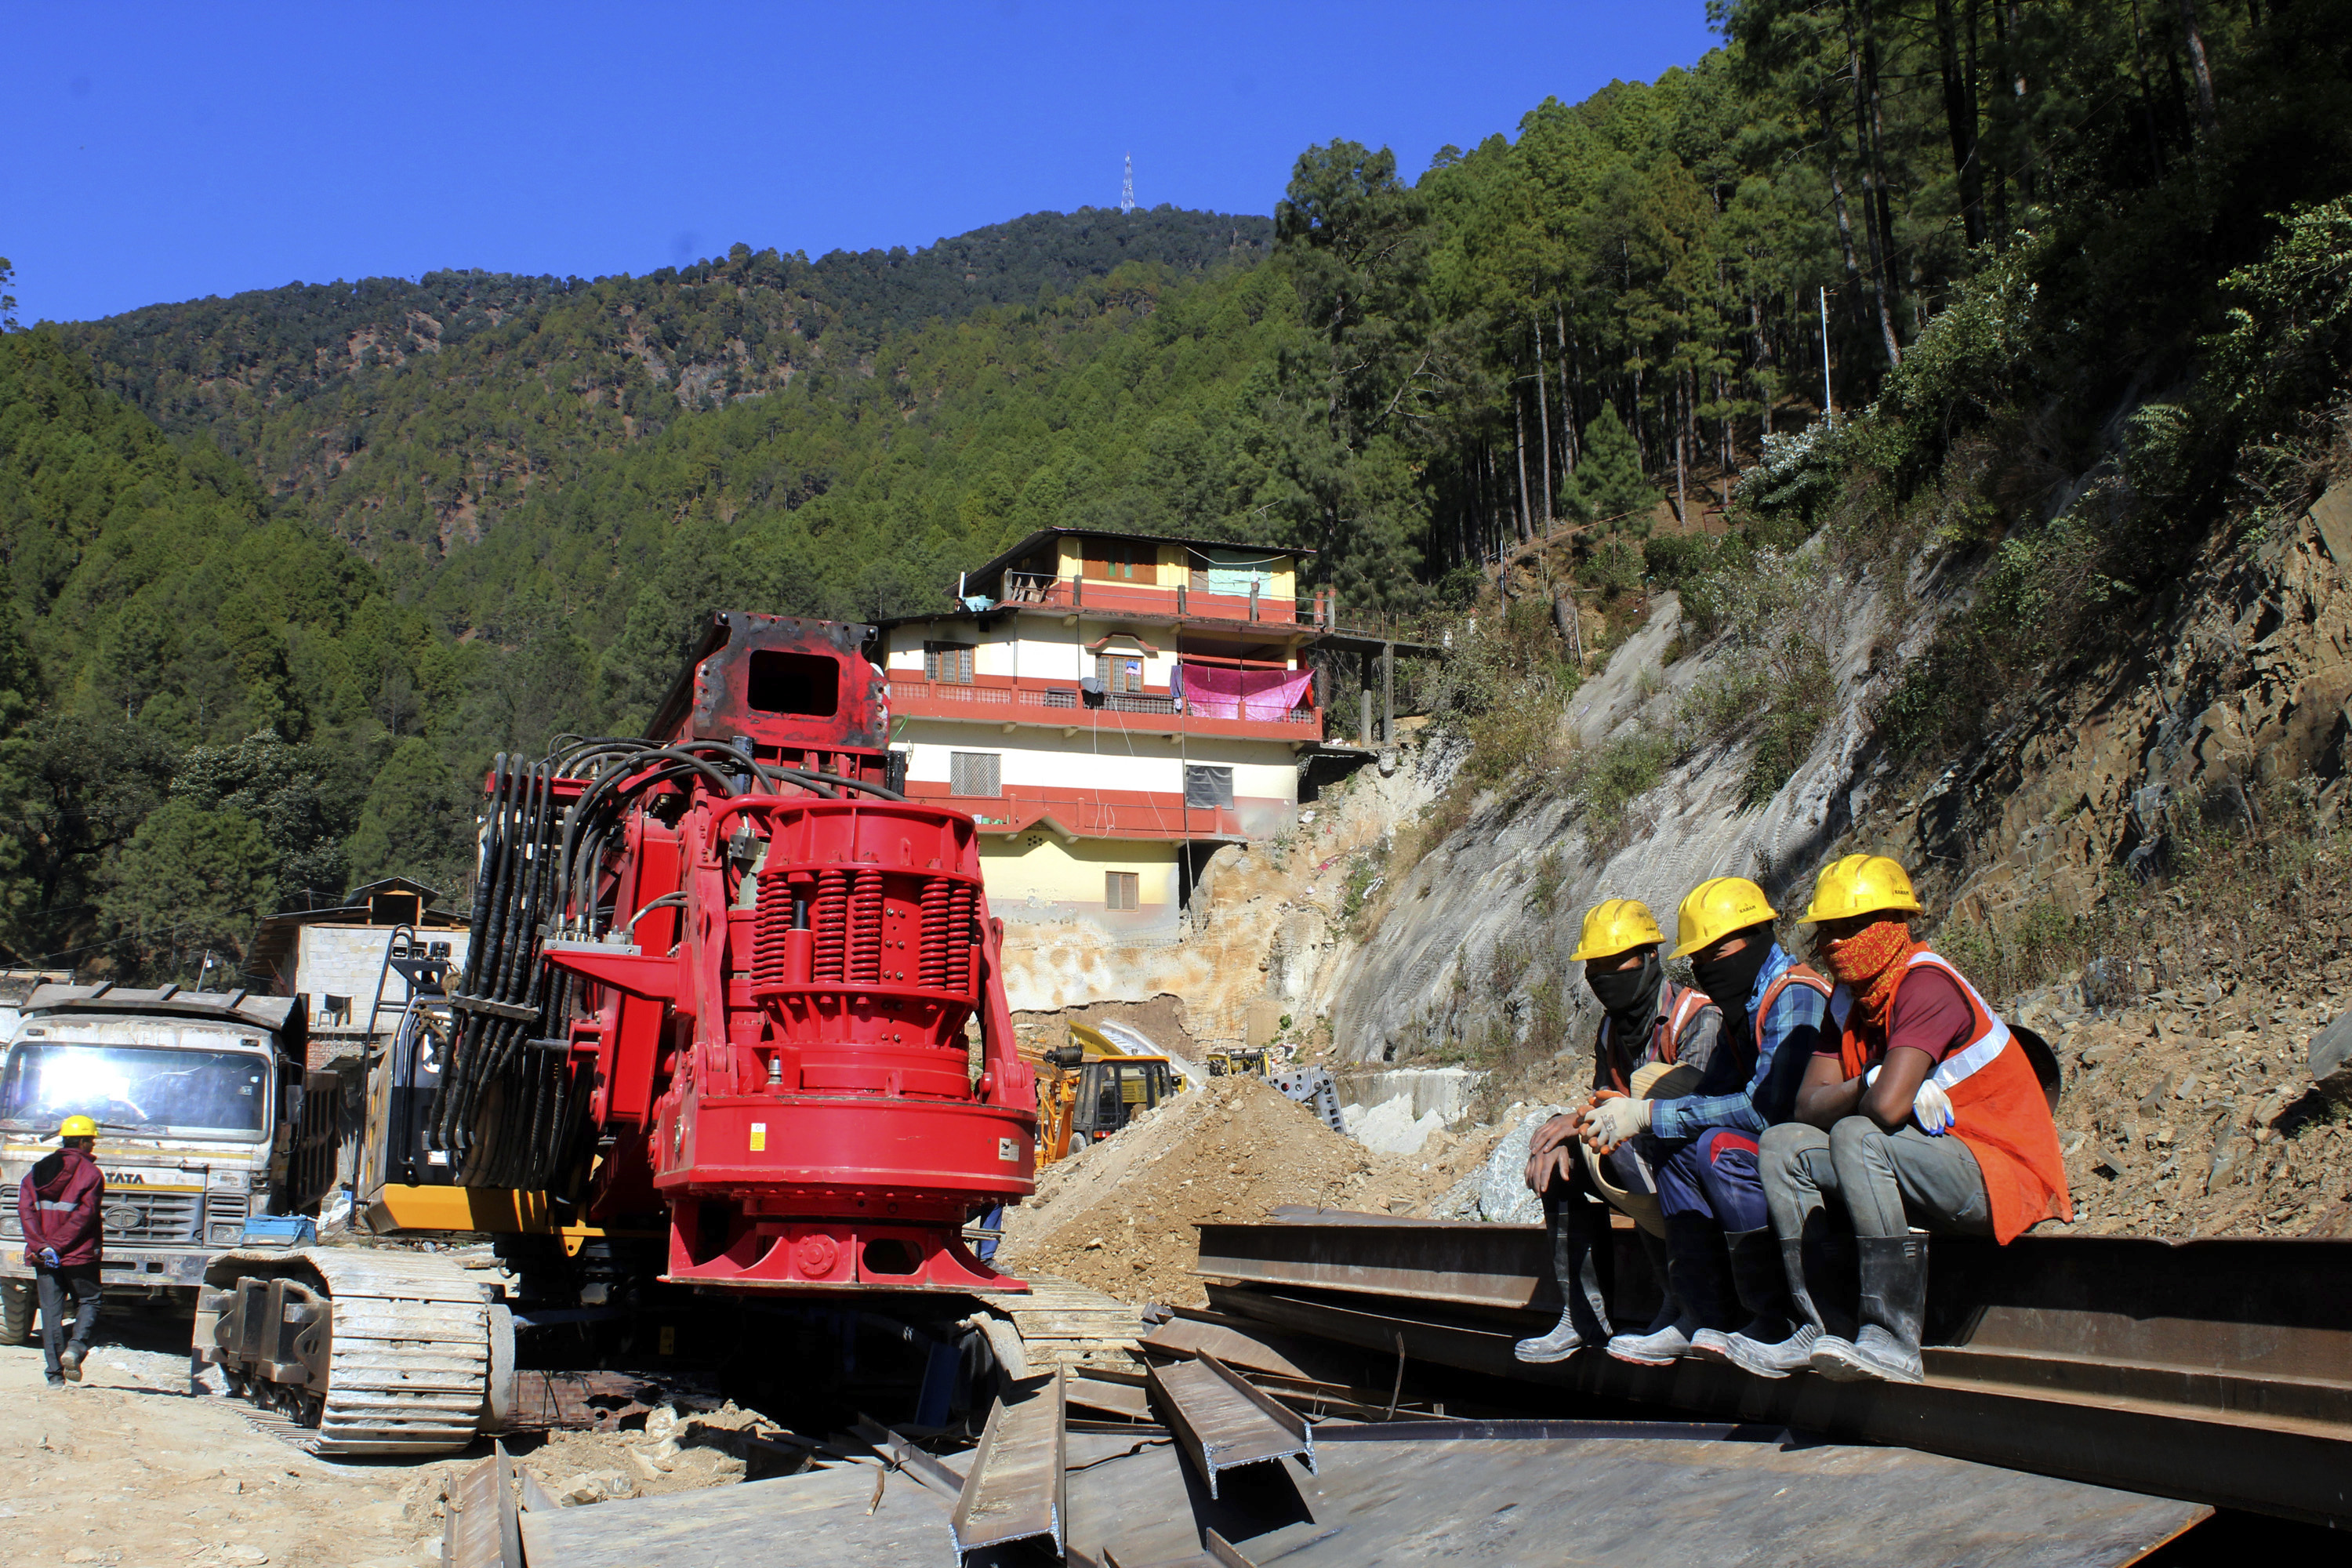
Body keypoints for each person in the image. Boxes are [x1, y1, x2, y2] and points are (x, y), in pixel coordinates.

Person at [1759, 855, 2072, 1384]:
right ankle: (1822, 1325)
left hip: (1997, 1175)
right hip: (1925, 1161)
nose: (1835, 943)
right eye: (1827, 930)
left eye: (1850, 928)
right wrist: (1867, 1079)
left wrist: (1873, 1091)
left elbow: (1885, 1111)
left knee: (1859, 1134)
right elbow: (1805, 1107)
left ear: (1891, 926)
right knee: (1781, 1145)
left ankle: (1891, 1337)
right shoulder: (1849, 1002)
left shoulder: (1926, 985)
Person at [1638, 877, 1832, 1377]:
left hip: (1810, 1149)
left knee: (1718, 1148)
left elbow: (1765, 1108)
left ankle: (1776, 1316)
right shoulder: (1742, 1007)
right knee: (1673, 1149)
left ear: (1759, 932)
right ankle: (1704, 1312)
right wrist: (1642, 1123)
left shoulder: (1794, 993)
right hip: (1773, 1146)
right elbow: (1710, 1095)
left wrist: (1649, 1113)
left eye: (1717, 949)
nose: (1705, 966)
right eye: (1697, 957)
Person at [1514, 898, 1720, 1365]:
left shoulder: (1697, 1019)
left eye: (1616, 962)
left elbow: (1695, 1110)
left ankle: (1682, 1302)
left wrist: (1590, 1123)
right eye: (1596, 966)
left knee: (1621, 1148)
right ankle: (1581, 1317)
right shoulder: (1612, 1027)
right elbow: (1601, 1099)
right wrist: (1565, 1130)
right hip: (1643, 1159)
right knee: (1563, 1159)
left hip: (1691, 1167)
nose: (1605, 974)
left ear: (1650, 958)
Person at [20, 1114, 106, 1388]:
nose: (92, 1146)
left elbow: (26, 1211)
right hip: (78, 1254)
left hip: (43, 1256)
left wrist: (41, 1246)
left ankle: (55, 1378)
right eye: (90, 1141)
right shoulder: (91, 1174)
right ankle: (76, 1348)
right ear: (81, 1141)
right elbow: (85, 1216)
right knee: (90, 1300)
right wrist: (57, 1246)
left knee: (50, 1312)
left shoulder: (36, 1171)